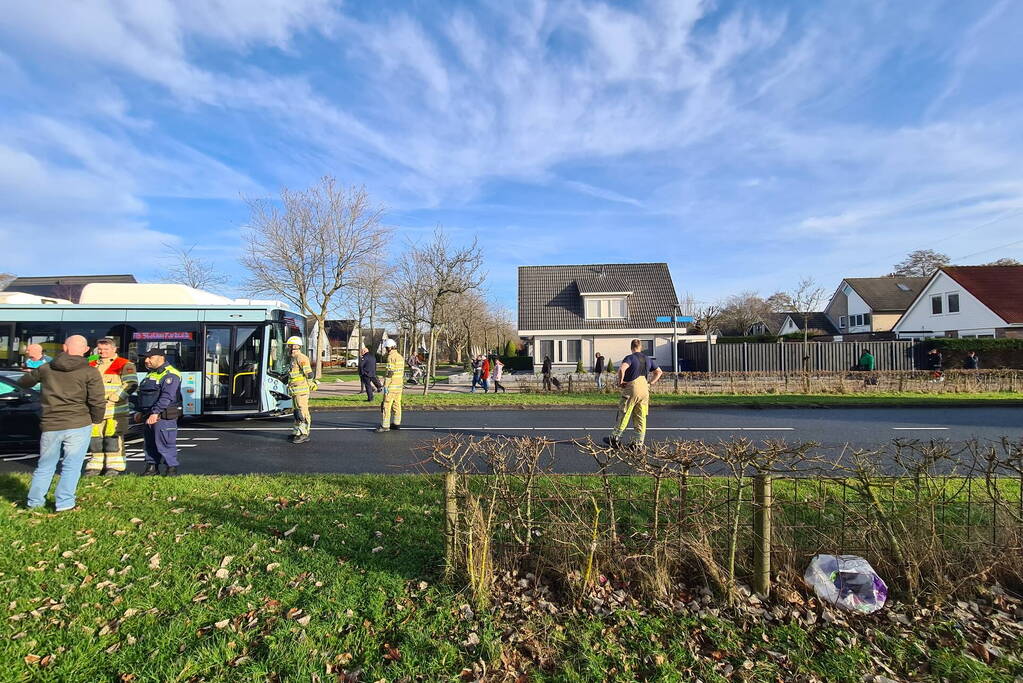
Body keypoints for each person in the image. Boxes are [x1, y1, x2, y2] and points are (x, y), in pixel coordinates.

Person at [17, 335, 105, 511]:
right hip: (79, 422)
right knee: (71, 465)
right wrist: (96, 419)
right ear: (87, 350)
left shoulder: (46, 368)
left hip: (51, 423)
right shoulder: (90, 371)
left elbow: (23, 383)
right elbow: (97, 400)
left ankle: (34, 503)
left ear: (64, 348)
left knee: (45, 465)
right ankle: (64, 503)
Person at [84, 338, 138, 477]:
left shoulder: (124, 364)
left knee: (113, 439)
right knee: (95, 439)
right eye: (100, 349)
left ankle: (115, 467)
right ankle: (95, 466)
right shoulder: (91, 362)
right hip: (94, 410)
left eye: (106, 349)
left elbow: (131, 384)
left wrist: (114, 398)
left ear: (114, 349)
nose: (102, 352)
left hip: (115, 411)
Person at [603, 339, 664, 450]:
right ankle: (638, 443)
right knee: (641, 416)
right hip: (645, 389)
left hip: (632, 388)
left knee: (625, 412)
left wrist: (620, 382)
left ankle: (615, 438)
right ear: (641, 347)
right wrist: (651, 382)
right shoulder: (648, 359)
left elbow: (622, 369)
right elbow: (659, 371)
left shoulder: (630, 358)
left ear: (631, 348)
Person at [135, 348, 183, 475]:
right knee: (149, 444)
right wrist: (140, 411)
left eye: (150, 357)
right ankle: (152, 468)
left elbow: (167, 397)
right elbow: (144, 395)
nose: (146, 360)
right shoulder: (151, 374)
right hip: (149, 415)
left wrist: (155, 412)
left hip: (163, 416)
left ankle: (171, 469)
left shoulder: (170, 374)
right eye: (146, 358)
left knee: (165, 443)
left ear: (161, 358)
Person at [285, 336, 316, 444]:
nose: (289, 348)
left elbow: (309, 373)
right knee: (296, 412)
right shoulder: (293, 358)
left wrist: (311, 382)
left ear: (296, 346)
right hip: (295, 390)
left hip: (301, 391)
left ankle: (304, 434)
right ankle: (296, 433)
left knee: (302, 412)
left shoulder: (301, 357)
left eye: (291, 346)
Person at [376, 338, 405, 433]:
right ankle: (396, 424)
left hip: (390, 387)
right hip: (399, 386)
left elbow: (389, 373)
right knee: (397, 404)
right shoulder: (400, 357)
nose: (386, 350)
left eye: (386, 348)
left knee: (386, 405)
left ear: (390, 348)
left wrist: (385, 387)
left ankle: (385, 426)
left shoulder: (391, 357)